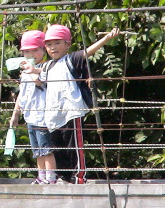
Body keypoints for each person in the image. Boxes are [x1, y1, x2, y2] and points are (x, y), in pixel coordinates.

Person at [34, 24, 120, 184]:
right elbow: (36, 73)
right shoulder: (47, 66)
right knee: (58, 148)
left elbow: (88, 52)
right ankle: (63, 177)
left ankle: (78, 177)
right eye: (49, 44)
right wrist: (28, 69)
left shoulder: (71, 59)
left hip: (71, 111)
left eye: (57, 43)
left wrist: (107, 38)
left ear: (68, 44)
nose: (53, 48)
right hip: (53, 115)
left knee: (74, 147)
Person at [9, 30, 57, 184]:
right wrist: (15, 114)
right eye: (27, 51)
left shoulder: (46, 67)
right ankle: (41, 176)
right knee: (37, 150)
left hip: (43, 116)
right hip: (30, 116)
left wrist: (30, 71)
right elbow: (22, 95)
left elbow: (39, 81)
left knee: (46, 149)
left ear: (43, 50)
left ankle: (51, 177)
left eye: (35, 50)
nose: (31, 54)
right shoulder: (24, 72)